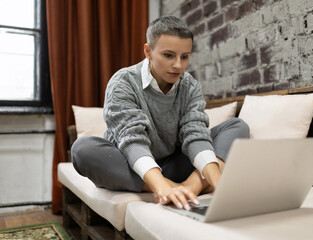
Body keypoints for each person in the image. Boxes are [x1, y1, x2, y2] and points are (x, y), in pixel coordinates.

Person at [71, 15, 249, 210]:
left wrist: (219, 185)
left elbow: (196, 134)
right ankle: (169, 187)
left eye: (185, 57)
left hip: (173, 164)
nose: (178, 66)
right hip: (130, 164)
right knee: (82, 149)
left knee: (237, 126)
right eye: (168, 55)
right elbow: (133, 140)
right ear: (148, 51)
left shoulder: (190, 87)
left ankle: (189, 188)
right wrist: (161, 185)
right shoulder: (123, 82)